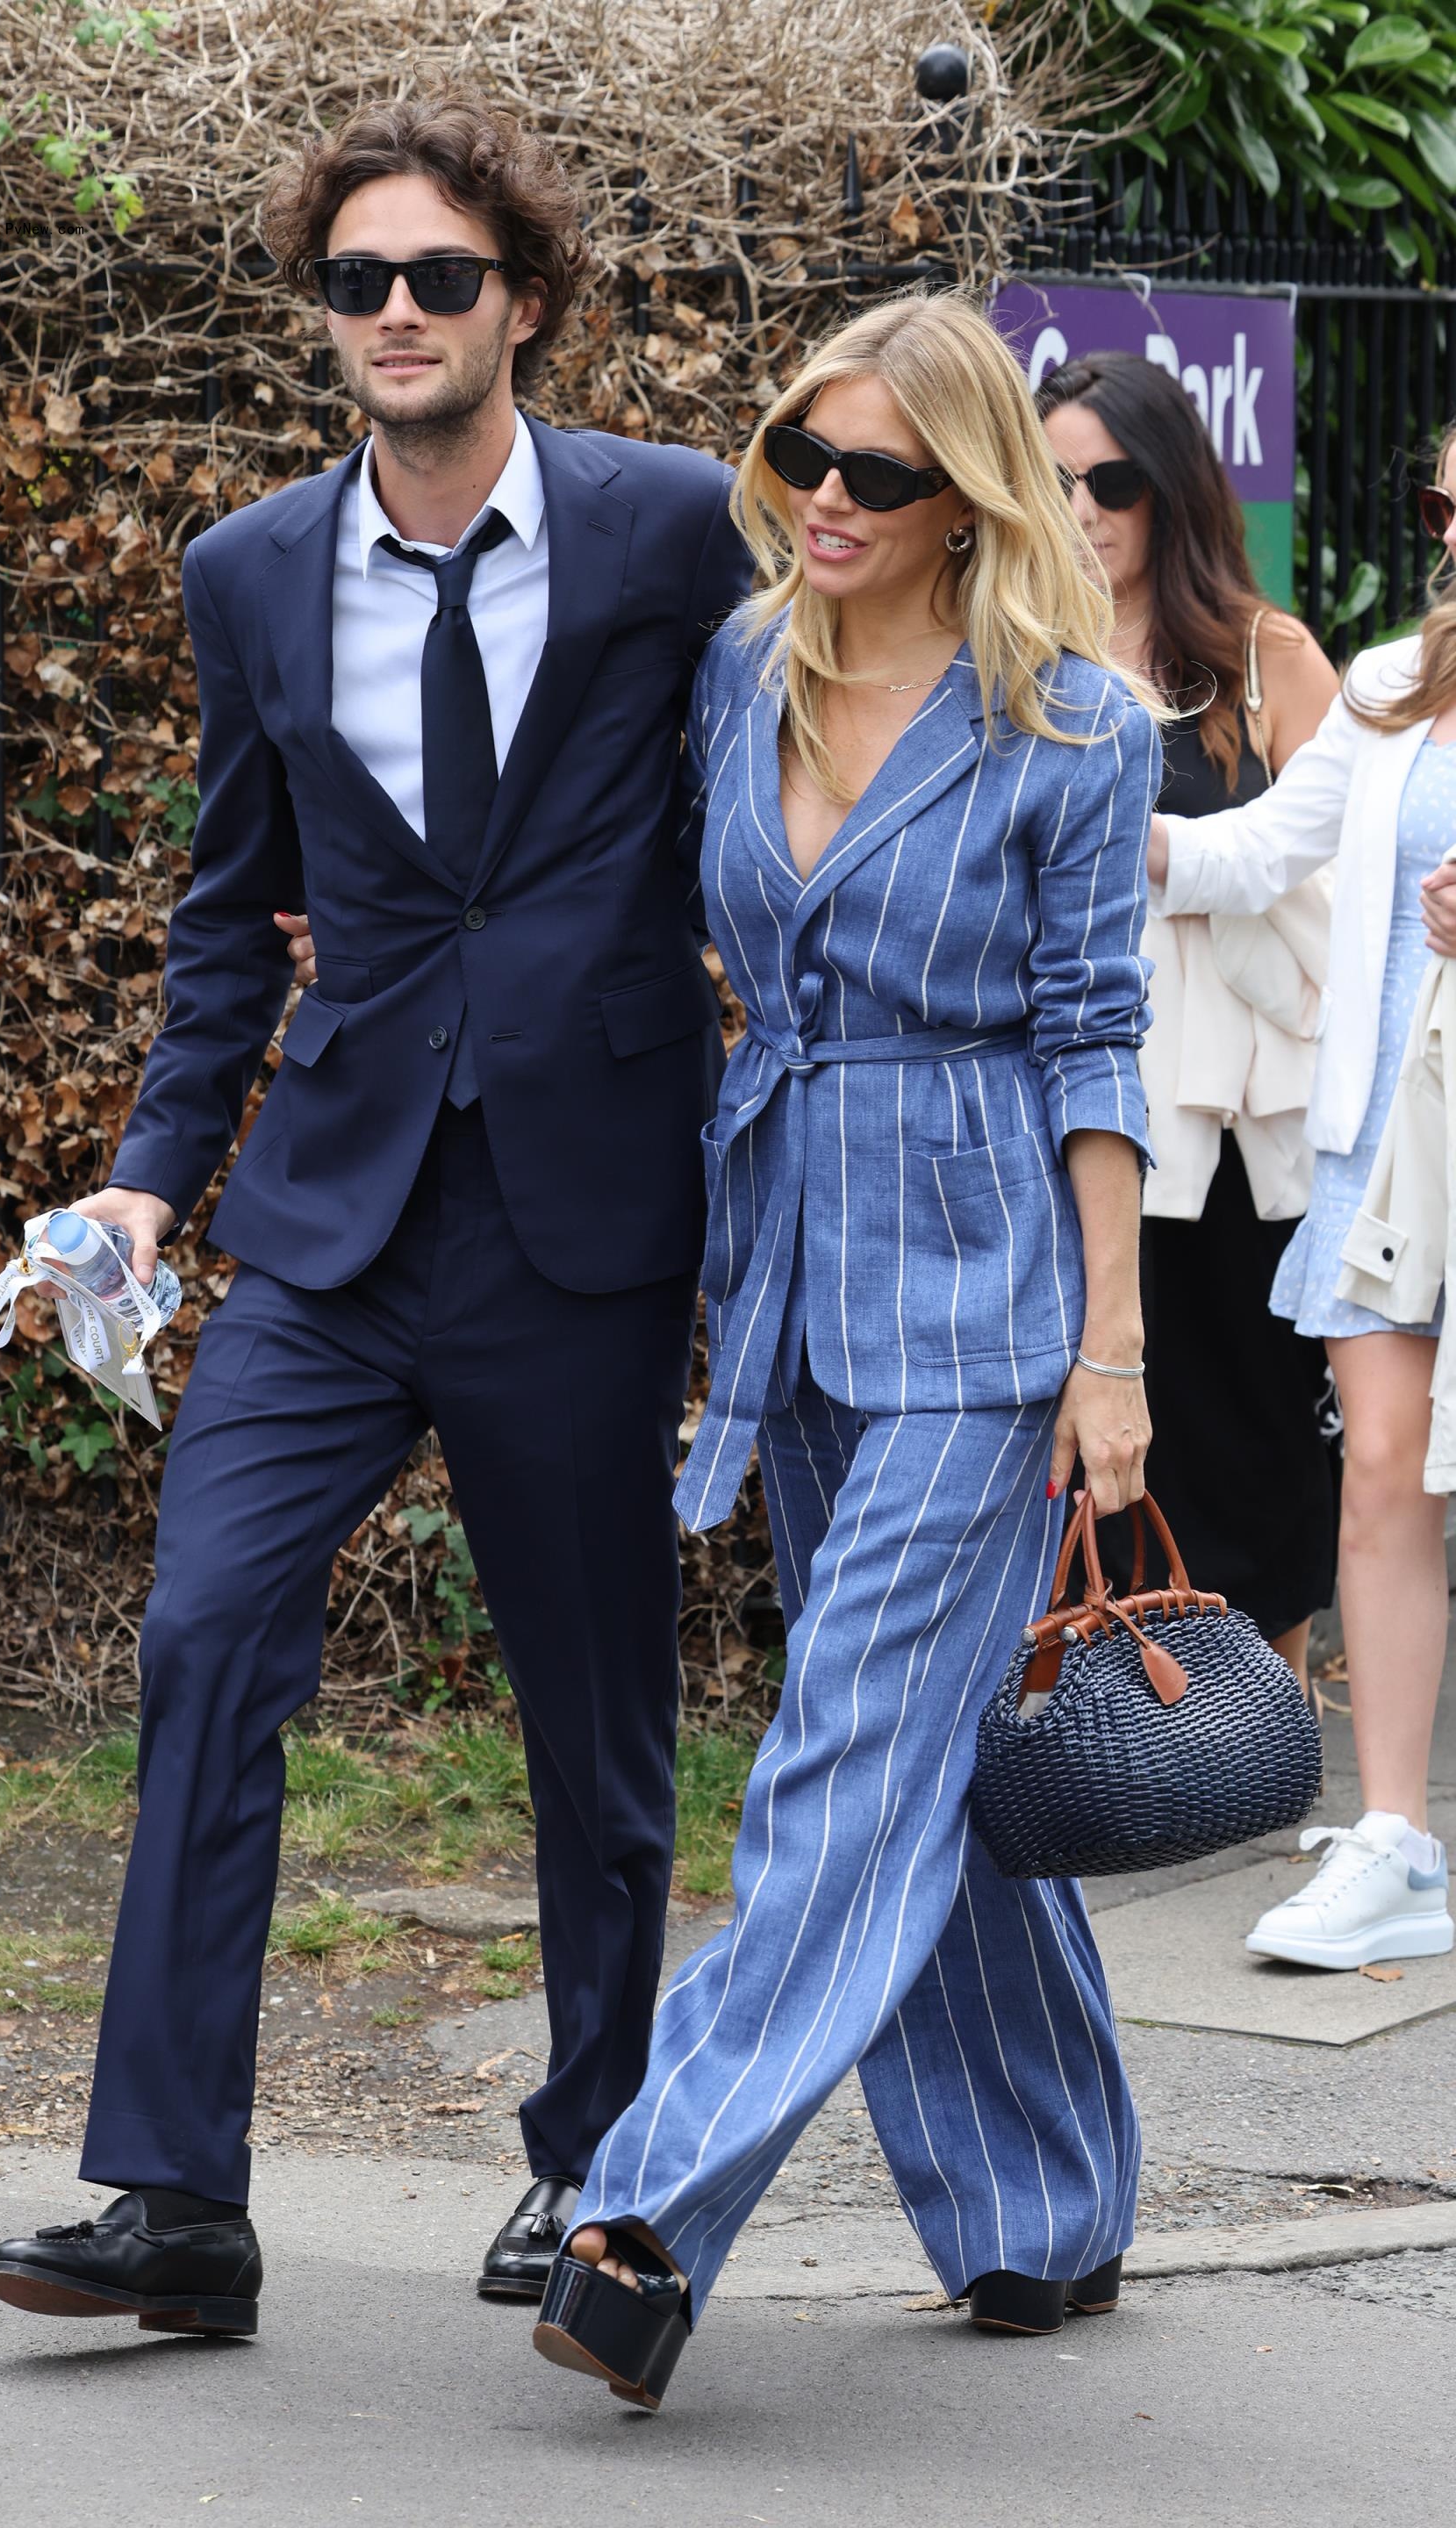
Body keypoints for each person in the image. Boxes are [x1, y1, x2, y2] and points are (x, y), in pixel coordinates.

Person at [0, 89, 748, 2338]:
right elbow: (237, 912)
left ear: (524, 300)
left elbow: (773, 804)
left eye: (438, 278)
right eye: (356, 283)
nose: (394, 315)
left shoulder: (667, 530)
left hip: (580, 1223)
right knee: (206, 1636)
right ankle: (175, 2200)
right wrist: (144, 1185)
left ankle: (595, 2161)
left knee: (593, 1717)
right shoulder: (250, 570)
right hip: (326, 1221)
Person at [527, 291, 1161, 2413]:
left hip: (989, 1302)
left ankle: (644, 2207)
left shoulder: (1079, 722)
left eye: (879, 472)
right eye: (806, 451)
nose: (824, 498)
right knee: (921, 1775)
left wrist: (1115, 1350)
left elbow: (1096, 1045)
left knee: (840, 1763)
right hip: (785, 1273)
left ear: (970, 497)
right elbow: (645, 915)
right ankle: (1039, 2210)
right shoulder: (739, 669)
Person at [1144, 431, 1456, 1972]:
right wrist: (1093, 831)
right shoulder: (1397, 682)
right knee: (1384, 1472)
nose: (1454, 533)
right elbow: (1261, 848)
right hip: (1391, 1140)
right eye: (1441, 506)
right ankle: (1395, 1838)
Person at [1036, 352, 1342, 1687]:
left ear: (1170, 492)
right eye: (1055, 482)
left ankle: (1257, 1728)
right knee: (1103, 1425)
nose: (1086, 508)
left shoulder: (1264, 661)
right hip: (1081, 1101)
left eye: (1113, 480)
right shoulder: (1011, 653)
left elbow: (1349, 878)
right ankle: (1113, 1721)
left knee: (1254, 1424)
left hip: (1244, 1119)